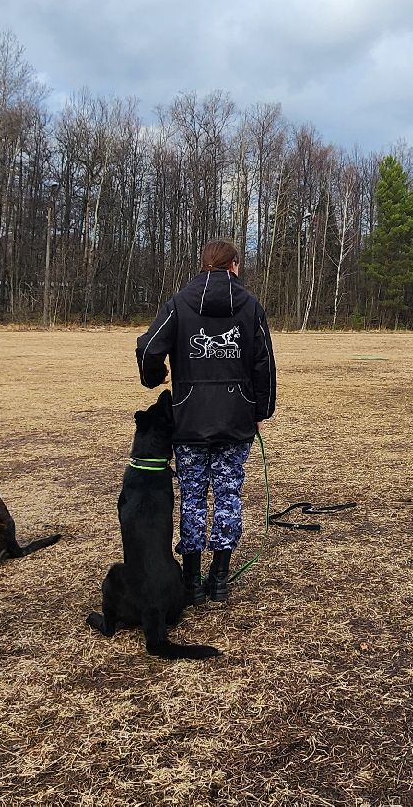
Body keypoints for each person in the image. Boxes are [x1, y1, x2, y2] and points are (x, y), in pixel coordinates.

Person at [135, 239, 276, 606]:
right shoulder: (251, 306)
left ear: (204, 264)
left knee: (193, 498)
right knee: (228, 495)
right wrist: (261, 411)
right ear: (234, 265)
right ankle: (219, 579)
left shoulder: (179, 303)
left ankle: (192, 581)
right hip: (236, 420)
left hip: (189, 421)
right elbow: (264, 363)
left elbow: (148, 348)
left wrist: (154, 378)